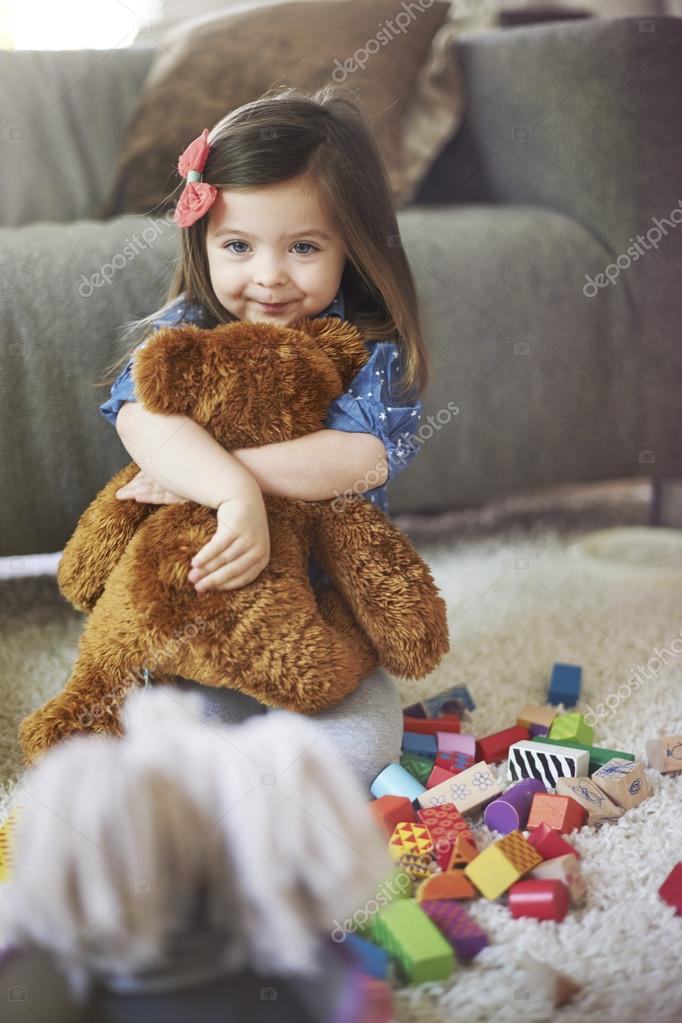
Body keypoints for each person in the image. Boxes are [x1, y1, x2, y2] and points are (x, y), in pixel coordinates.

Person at [96, 84, 431, 790]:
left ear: (354, 246)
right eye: (239, 245)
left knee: (362, 743)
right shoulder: (187, 326)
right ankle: (217, 786)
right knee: (152, 733)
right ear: (203, 241)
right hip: (198, 607)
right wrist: (229, 494)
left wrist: (236, 473)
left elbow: (361, 457)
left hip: (320, 621)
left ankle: (272, 786)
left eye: (304, 246)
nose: (269, 276)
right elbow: (138, 415)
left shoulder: (368, 346)